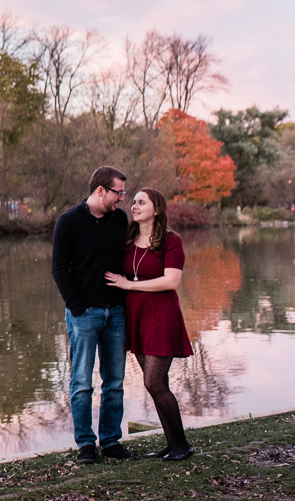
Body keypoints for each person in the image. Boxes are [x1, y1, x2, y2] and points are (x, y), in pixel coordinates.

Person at [52, 166, 135, 464]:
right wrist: (77, 307)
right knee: (82, 383)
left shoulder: (120, 219)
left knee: (114, 382)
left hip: (115, 313)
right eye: (119, 193)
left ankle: (111, 441)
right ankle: (86, 444)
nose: (122, 199)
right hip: (84, 314)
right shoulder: (69, 222)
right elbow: (59, 270)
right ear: (101, 190)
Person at [105, 187, 194, 461]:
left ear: (156, 209)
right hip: (136, 316)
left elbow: (171, 281)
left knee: (154, 382)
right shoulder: (129, 238)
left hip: (162, 315)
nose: (134, 206)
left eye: (141, 202)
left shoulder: (171, 241)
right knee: (156, 383)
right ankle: (172, 444)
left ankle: (182, 445)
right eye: (133, 202)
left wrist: (128, 284)